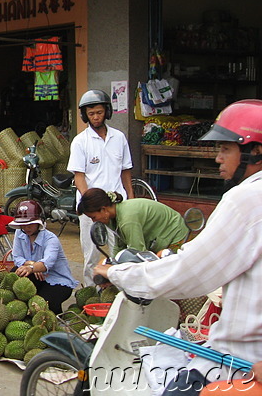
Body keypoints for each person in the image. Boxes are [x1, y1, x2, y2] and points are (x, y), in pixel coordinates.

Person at [94, 100, 262, 395]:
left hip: (239, 361)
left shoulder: (246, 199)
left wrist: (119, 273)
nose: (218, 159)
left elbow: (188, 271)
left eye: (226, 149)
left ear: (255, 152)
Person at [67, 89, 134, 286]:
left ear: (107, 112)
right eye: (91, 114)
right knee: (91, 255)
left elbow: (126, 171)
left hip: (117, 205)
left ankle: (118, 293)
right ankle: (90, 294)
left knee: (120, 251)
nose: (96, 117)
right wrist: (90, 203)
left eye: (99, 112)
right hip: (91, 208)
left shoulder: (119, 138)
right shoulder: (80, 141)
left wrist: (130, 196)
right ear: (84, 116)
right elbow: (79, 176)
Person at [9, 200, 78, 314]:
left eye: (30, 224)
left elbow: (47, 263)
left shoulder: (51, 239)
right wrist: (32, 265)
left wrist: (32, 268)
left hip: (57, 280)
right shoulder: (20, 233)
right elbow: (17, 258)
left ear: (39, 222)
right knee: (16, 271)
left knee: (44, 305)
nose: (26, 228)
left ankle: (57, 319)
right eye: (23, 225)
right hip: (38, 277)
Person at [77, 188, 189, 252]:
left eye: (93, 217)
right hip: (158, 238)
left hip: (175, 234)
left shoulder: (127, 219)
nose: (94, 222)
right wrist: (111, 266)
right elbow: (119, 246)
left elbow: (138, 251)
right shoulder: (112, 218)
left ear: (103, 209)